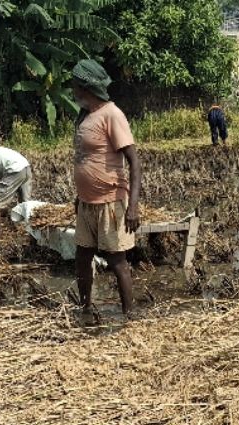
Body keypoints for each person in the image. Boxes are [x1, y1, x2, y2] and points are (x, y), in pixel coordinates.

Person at [70, 58, 143, 320]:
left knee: (117, 261)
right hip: (87, 203)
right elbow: (85, 159)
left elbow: (134, 161)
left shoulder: (112, 114)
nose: (72, 90)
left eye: (75, 85)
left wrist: (133, 207)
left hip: (111, 201)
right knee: (82, 257)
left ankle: (129, 315)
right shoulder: (86, 115)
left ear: (85, 87)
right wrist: (78, 197)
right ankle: (86, 308)